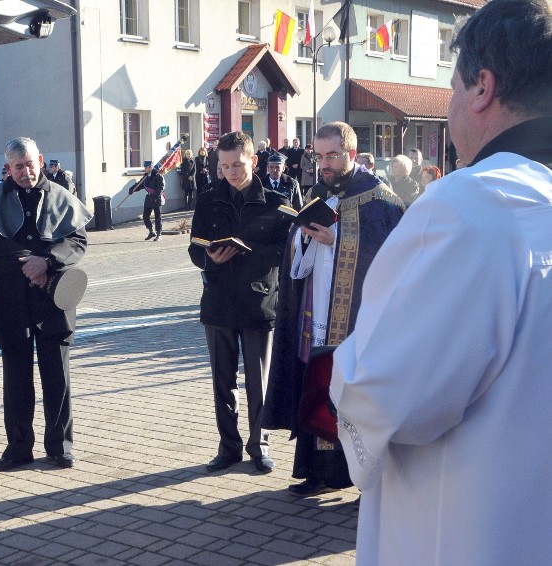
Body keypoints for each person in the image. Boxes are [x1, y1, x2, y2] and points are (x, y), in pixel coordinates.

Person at [330, 2, 552, 562]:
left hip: (463, 530)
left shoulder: (470, 204)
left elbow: (387, 395)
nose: (450, 106)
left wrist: (341, 374)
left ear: (482, 86)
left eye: (452, 87)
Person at [261, 121, 404, 497]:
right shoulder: (317, 193)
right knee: (316, 384)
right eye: (318, 155)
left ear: (351, 155)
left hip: (357, 319)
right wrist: (305, 239)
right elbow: (297, 256)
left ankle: (363, 479)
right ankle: (318, 471)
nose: (323, 164)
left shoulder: (380, 199)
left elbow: (390, 258)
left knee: (352, 392)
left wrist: (336, 238)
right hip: (315, 312)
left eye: (332, 156)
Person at [0, 136, 92, 472]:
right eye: (18, 167)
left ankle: (60, 447)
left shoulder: (62, 196)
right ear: (9, 167)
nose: (25, 172)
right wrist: (25, 262)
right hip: (11, 299)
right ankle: (18, 448)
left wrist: (46, 261)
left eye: (30, 165)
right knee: (16, 379)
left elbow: (77, 241)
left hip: (54, 296)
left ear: (40, 160)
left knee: (57, 377)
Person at [188, 131, 293, 474]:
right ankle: (228, 446)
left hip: (259, 300)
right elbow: (194, 248)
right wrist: (211, 258)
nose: (231, 172)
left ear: (254, 162)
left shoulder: (277, 201)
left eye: (237, 165)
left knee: (257, 381)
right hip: (218, 301)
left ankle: (258, 445)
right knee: (222, 380)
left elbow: (286, 252)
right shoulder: (207, 200)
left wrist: (250, 252)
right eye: (224, 166)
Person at [130, 160, 164, 241]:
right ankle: (151, 231)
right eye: (145, 167)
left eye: (146, 167)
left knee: (157, 217)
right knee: (145, 216)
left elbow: (161, 188)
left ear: (151, 167)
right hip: (149, 198)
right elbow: (140, 185)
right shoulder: (145, 177)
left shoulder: (158, 176)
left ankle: (159, 234)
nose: (145, 169)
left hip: (157, 198)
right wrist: (132, 189)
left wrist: (156, 197)